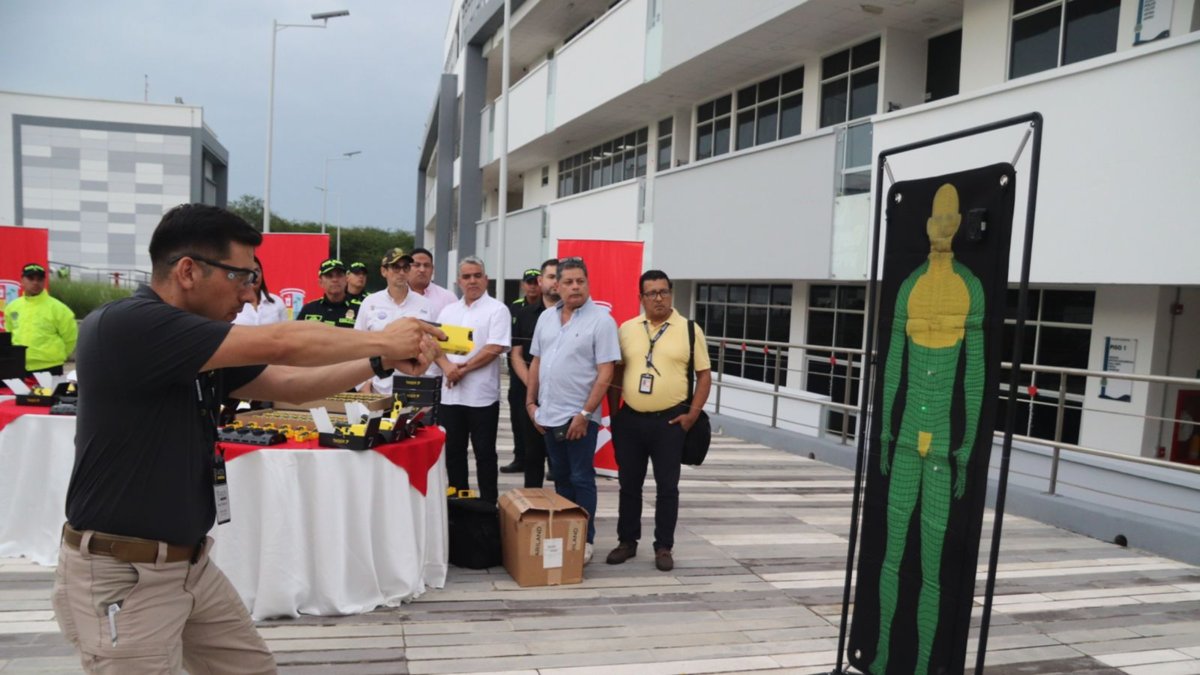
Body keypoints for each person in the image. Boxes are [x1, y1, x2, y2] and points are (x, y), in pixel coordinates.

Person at [54, 203, 441, 674]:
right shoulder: (130, 325)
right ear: (188, 271)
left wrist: (379, 364)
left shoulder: (198, 342)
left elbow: (287, 383)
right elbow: (282, 343)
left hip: (190, 564)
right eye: (241, 276)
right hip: (125, 572)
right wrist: (384, 341)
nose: (249, 292)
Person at [872, 183, 985, 675]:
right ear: (927, 225)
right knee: (891, 556)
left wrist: (965, 446)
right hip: (903, 442)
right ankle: (880, 652)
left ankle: (923, 666)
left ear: (958, 224)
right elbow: (893, 367)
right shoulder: (910, 287)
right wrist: (882, 431)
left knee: (934, 567)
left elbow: (974, 378)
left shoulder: (969, 289)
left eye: (949, 219)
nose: (941, 227)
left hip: (940, 441)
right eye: (935, 219)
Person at [606, 270, 711, 572]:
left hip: (671, 422)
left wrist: (692, 414)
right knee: (629, 485)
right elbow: (616, 372)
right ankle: (627, 541)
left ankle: (663, 546)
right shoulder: (626, 329)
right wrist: (615, 415)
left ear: (671, 293)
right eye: (651, 293)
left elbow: (704, 375)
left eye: (663, 291)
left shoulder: (690, 330)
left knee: (667, 487)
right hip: (631, 421)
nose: (658, 298)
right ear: (641, 298)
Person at [526, 257, 619, 564]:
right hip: (548, 414)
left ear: (588, 283)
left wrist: (584, 413)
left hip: (579, 417)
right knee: (561, 478)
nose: (575, 287)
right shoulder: (546, 318)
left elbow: (606, 373)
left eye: (580, 281)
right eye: (568, 282)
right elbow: (537, 362)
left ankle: (585, 540)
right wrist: (530, 403)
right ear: (557, 285)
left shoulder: (601, 321)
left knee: (581, 478)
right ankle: (566, 534)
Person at [433, 256, 511, 503]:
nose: (472, 280)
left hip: (481, 397)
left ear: (486, 279)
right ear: (459, 282)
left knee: (484, 453)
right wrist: (447, 367)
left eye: (477, 275)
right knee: (453, 453)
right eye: (466, 276)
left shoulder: (497, 310)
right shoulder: (448, 311)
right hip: (450, 395)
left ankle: (489, 506)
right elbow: (435, 347)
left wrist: (461, 370)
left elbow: (494, 347)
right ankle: (460, 503)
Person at [506, 259, 559, 487]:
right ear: (540, 281)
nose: (556, 282)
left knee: (563, 465)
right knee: (532, 453)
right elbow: (516, 354)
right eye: (551, 277)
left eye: (560, 277)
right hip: (530, 392)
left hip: (563, 397)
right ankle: (533, 511)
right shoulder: (524, 313)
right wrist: (533, 386)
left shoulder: (575, 315)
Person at [354, 248, 432, 394]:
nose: (402, 272)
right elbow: (357, 346)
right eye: (396, 267)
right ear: (384, 271)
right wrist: (363, 386)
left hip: (414, 390)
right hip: (378, 390)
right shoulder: (370, 302)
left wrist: (428, 390)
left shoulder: (426, 305)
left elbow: (433, 348)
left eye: (406, 267)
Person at [500, 267, 543, 475]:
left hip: (543, 375)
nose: (533, 286)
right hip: (519, 374)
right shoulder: (515, 308)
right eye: (529, 282)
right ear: (523, 285)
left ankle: (551, 463)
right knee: (518, 419)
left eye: (536, 282)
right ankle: (520, 458)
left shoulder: (549, 308)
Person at [1, 262, 78, 377]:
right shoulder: (12, 307)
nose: (35, 282)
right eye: (31, 278)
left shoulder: (59, 309)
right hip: (19, 366)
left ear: (44, 281)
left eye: (40, 279)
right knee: (22, 395)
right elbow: (10, 334)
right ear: (22, 280)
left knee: (47, 395)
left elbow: (71, 338)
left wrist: (57, 356)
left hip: (50, 368)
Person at [295, 258, 356, 328]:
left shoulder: (359, 308)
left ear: (346, 280)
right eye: (329, 276)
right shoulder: (309, 309)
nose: (335, 279)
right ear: (320, 282)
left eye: (339, 275)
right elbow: (297, 336)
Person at [232, 256, 287, 326]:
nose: (254, 276)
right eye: (249, 272)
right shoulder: (232, 304)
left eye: (257, 271)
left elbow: (284, 333)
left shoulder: (277, 302)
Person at [407, 247, 459, 319]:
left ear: (432, 269)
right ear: (407, 268)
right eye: (417, 265)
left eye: (426, 265)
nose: (422, 270)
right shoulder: (397, 296)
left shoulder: (448, 298)